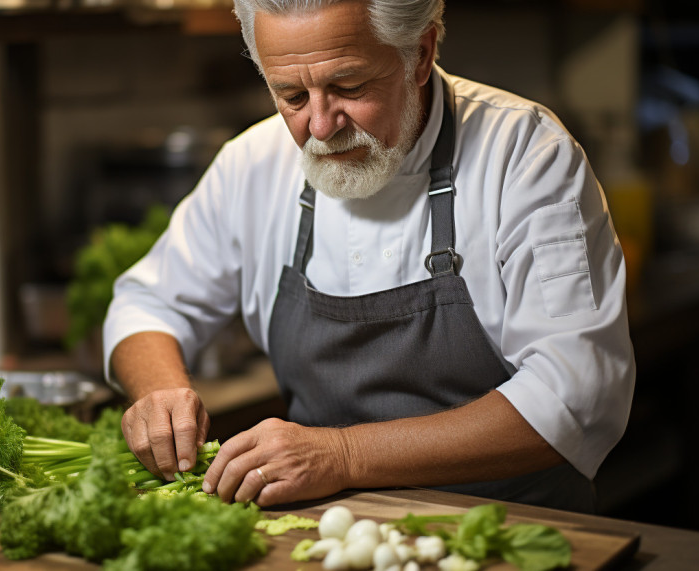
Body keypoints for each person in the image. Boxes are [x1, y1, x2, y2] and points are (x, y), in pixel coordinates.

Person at [103, 0, 635, 513]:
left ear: (421, 53)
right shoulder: (252, 163)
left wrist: (343, 455)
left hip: (514, 534)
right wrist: (159, 390)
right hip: (327, 540)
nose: (319, 126)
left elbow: (574, 395)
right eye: (289, 95)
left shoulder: (523, 154)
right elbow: (147, 303)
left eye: (349, 87)